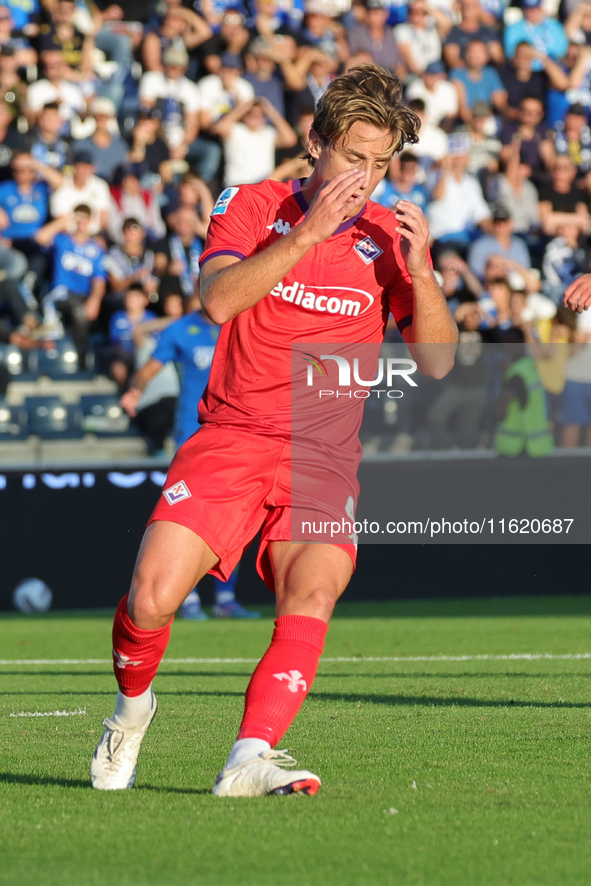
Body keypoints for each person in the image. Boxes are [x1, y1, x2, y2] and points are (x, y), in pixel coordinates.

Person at [90, 63, 457, 797]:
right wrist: (307, 235)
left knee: (312, 592)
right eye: (354, 156)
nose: (367, 176)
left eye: (381, 163)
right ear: (315, 142)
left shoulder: (389, 236)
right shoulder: (253, 205)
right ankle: (131, 712)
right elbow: (219, 300)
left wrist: (418, 273)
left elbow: (440, 363)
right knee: (151, 598)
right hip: (234, 435)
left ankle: (249, 756)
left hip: (323, 454)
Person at [120, 293, 261, 620]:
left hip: (238, 435)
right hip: (192, 436)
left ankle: (225, 599)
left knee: (235, 519)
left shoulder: (244, 318)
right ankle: (189, 600)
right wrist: (135, 390)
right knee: (185, 520)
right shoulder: (180, 329)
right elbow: (149, 368)